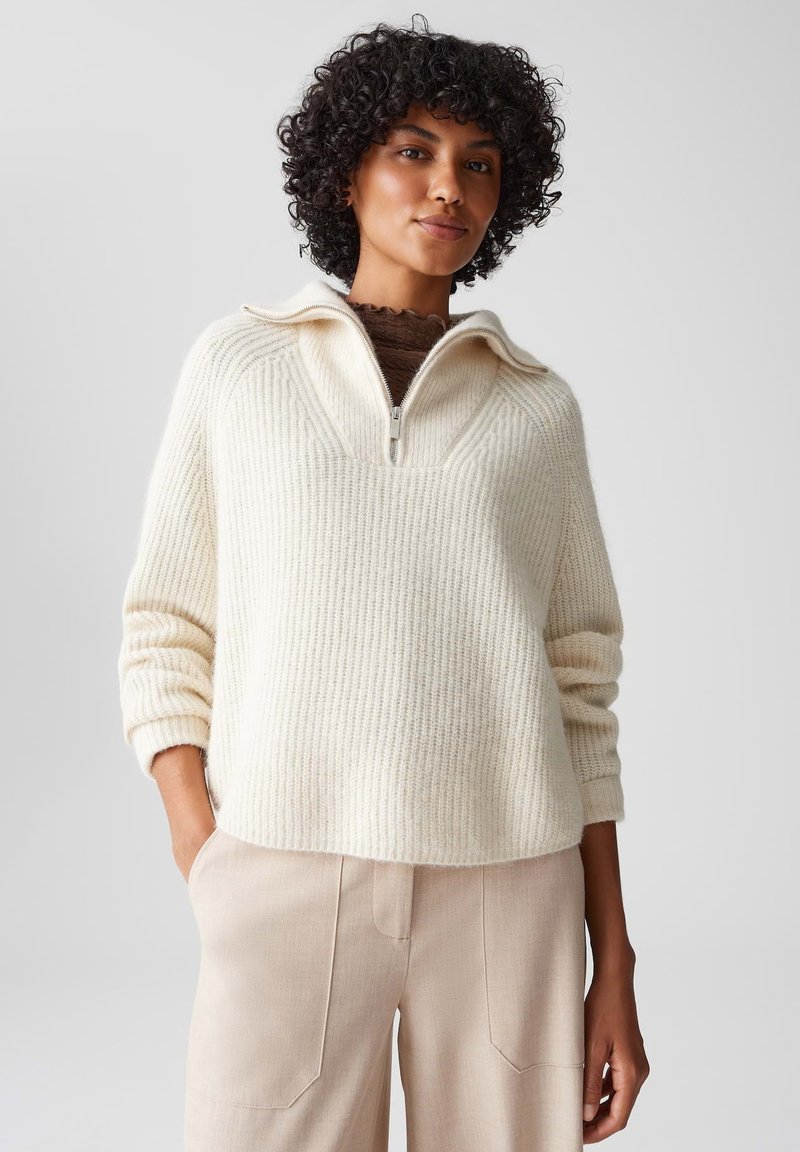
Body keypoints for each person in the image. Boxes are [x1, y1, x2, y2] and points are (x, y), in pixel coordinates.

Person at [117, 15, 649, 1151]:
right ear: (346, 171)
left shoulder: (537, 409)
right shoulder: (238, 367)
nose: (448, 186)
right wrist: (202, 847)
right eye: (413, 150)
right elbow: (165, 624)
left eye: (480, 163)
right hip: (281, 870)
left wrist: (614, 962)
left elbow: (580, 687)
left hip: (509, 886)